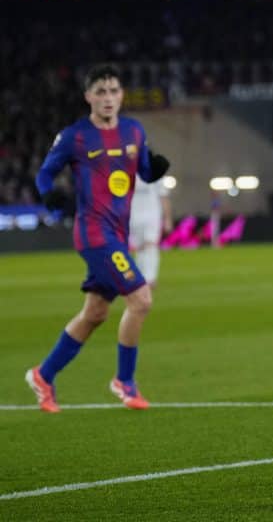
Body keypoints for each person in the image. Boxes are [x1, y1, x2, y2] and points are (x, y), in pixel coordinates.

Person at [26, 64, 170, 413]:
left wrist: (156, 167)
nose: (107, 98)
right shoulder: (75, 136)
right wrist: (51, 197)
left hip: (116, 233)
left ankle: (43, 375)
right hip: (93, 233)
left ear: (121, 95)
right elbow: (45, 174)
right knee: (141, 300)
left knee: (95, 313)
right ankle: (125, 380)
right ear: (88, 96)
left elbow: (145, 171)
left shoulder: (134, 131)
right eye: (100, 92)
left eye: (113, 91)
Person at [130, 177, 172, 288]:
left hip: (152, 216)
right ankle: (140, 277)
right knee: (140, 248)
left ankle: (150, 278)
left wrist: (167, 218)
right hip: (134, 216)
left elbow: (163, 196)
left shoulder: (155, 172)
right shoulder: (129, 169)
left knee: (150, 245)